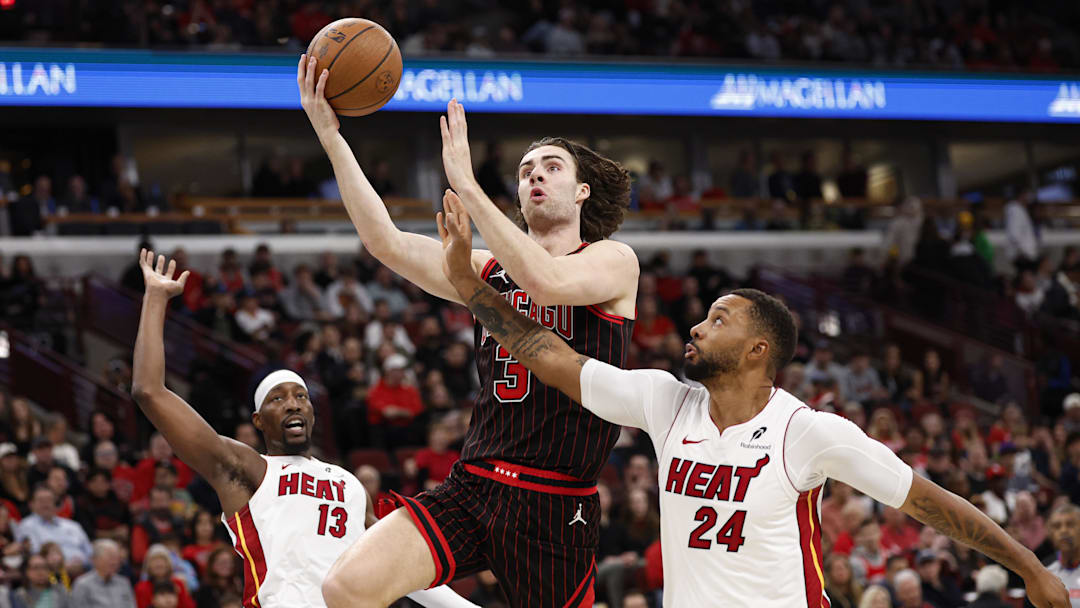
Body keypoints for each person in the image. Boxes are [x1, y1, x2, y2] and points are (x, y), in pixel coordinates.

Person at [432, 200, 1069, 607]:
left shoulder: (807, 432)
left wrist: (1029, 569)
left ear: (758, 349)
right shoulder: (665, 402)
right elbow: (550, 355)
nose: (697, 327)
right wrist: (467, 285)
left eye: (718, 319)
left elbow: (930, 502)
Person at [302, 54, 639, 607]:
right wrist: (330, 136)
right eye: (526, 169)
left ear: (581, 193)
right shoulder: (483, 267)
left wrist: (467, 185)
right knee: (346, 587)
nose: (535, 174)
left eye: (551, 167)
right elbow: (385, 241)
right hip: (474, 481)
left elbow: (549, 281)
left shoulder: (612, 261)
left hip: (555, 502)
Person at [130, 250, 473, 608]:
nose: (293, 403)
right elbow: (149, 391)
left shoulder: (349, 483)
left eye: (300, 396)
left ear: (311, 411)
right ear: (258, 421)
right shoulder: (247, 469)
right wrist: (155, 297)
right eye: (277, 399)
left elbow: (397, 564)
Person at [14, 486, 92, 571]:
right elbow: (34, 554)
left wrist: (83, 563)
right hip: (51, 573)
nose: (45, 504)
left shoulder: (72, 525)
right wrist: (63, 566)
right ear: (31, 504)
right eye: (41, 500)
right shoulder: (27, 526)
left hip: (84, 570)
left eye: (49, 500)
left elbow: (90, 552)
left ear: (55, 503)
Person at [69, 539, 135, 608]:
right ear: (96, 559)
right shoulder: (82, 585)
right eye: (111, 557)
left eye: (117, 558)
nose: (115, 562)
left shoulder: (124, 583)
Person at [1045, 503, 1080, 603]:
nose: (1063, 531)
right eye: (1057, 526)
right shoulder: (1043, 571)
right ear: (1051, 534)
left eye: (1070, 524)